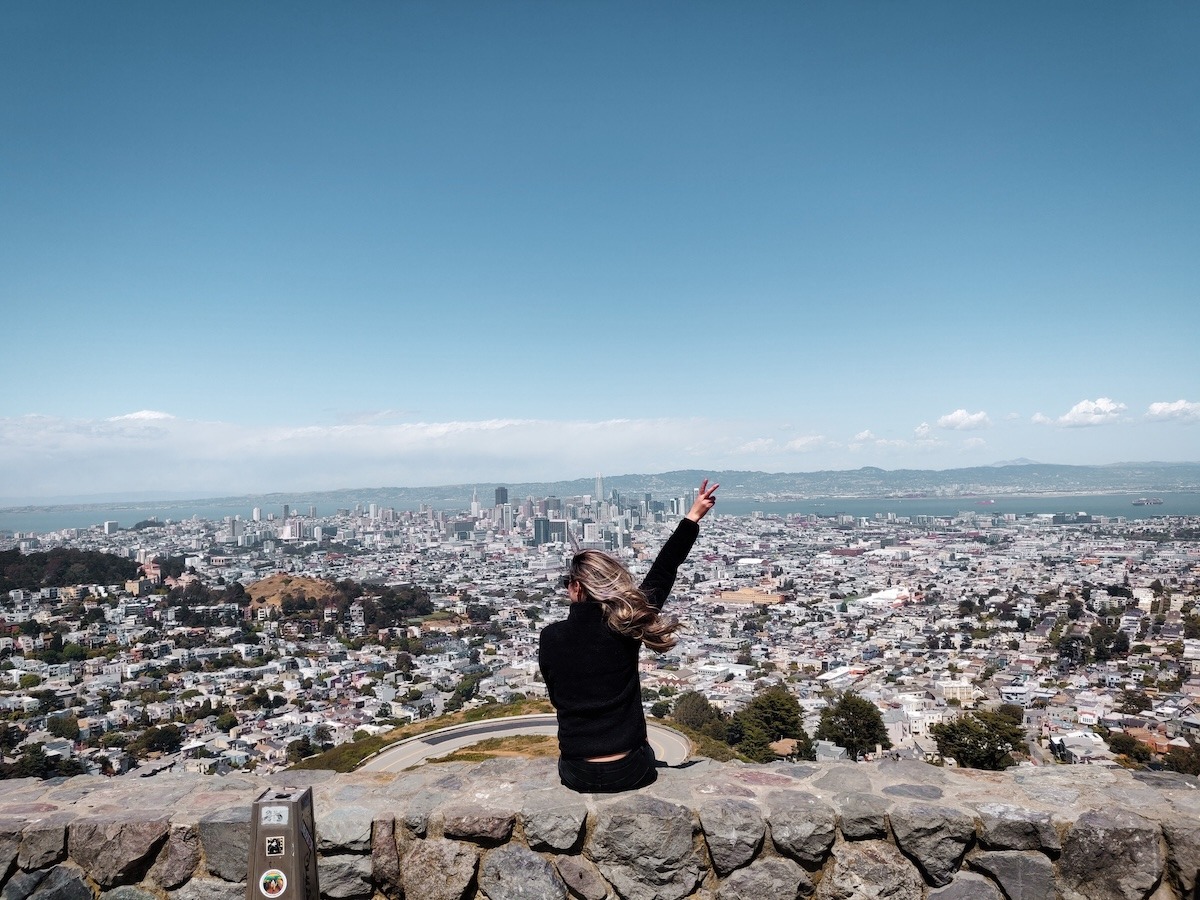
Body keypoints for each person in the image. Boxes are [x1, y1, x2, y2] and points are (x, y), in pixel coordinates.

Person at [538, 478, 719, 792]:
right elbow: (663, 571)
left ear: (577, 588)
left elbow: (558, 697)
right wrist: (692, 518)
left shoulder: (550, 638)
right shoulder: (627, 626)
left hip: (576, 772)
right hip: (632, 769)